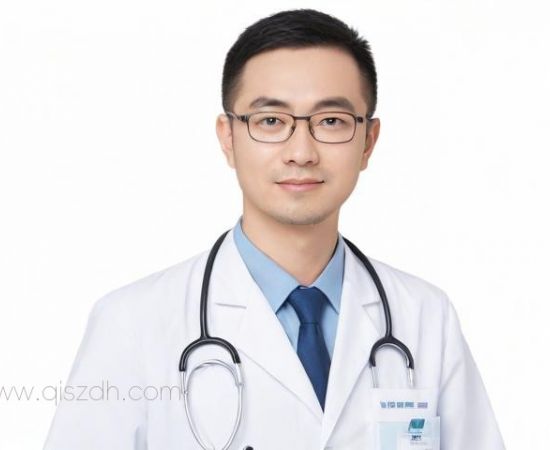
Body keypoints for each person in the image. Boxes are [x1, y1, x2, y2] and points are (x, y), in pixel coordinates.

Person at [43, 8, 505, 450]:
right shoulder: (132, 323)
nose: (301, 152)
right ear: (228, 137)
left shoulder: (425, 318)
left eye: (331, 121)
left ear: (369, 141)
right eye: (270, 121)